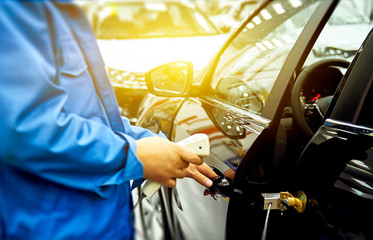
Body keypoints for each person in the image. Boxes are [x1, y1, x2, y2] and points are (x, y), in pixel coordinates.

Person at [0, 1, 216, 239]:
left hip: (97, 221)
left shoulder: (59, 11)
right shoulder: (15, 10)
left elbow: (95, 119)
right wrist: (132, 155)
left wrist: (163, 147)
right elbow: (24, 131)